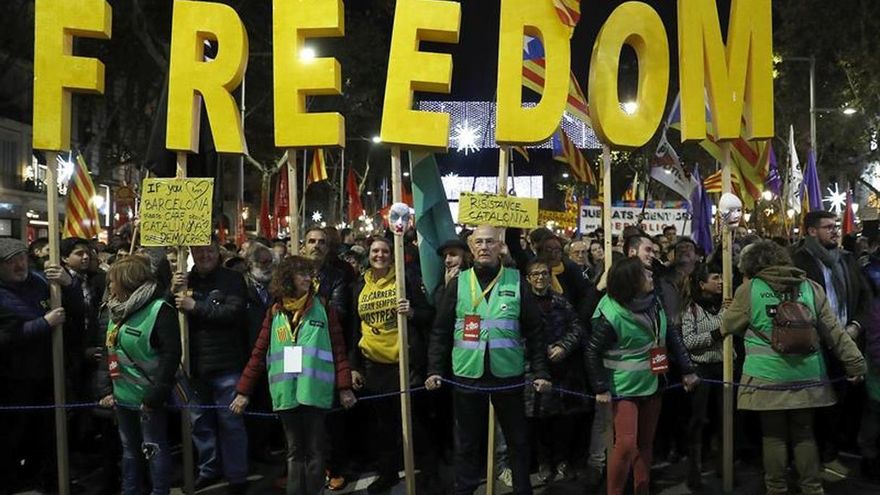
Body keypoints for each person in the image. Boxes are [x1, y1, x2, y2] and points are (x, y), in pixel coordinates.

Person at [721, 240, 866, 495]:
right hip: (808, 375)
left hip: (766, 376)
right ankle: (812, 487)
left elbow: (729, 326)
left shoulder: (750, 289)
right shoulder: (810, 287)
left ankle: (776, 488)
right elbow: (834, 332)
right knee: (804, 433)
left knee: (773, 436)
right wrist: (854, 363)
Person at [426, 225, 552, 495]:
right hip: (467, 374)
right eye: (479, 242)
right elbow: (440, 331)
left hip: (508, 375)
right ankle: (465, 490)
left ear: (500, 246)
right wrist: (434, 369)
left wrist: (541, 371)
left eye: (490, 242)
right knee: (467, 443)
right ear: (471, 248)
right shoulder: (459, 283)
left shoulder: (517, 281)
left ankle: (521, 489)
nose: (484, 246)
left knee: (518, 440)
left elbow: (535, 331)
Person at [231, 256, 357, 495]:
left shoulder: (324, 308)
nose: (308, 278)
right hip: (286, 393)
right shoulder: (275, 312)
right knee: (294, 451)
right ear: (288, 278)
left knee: (316, 450)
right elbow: (258, 354)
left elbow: (339, 350)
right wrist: (243, 392)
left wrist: (344, 387)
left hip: (314, 392)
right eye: (302, 274)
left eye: (310, 274)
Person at [585, 257, 699, 495]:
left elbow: (671, 336)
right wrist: (600, 387)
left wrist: (688, 369)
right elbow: (592, 351)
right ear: (631, 282)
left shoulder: (654, 302)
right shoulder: (611, 313)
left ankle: (642, 489)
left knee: (646, 444)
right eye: (645, 274)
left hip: (653, 382)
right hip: (622, 388)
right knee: (626, 445)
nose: (651, 277)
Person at [349, 236, 436, 493]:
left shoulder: (405, 279)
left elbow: (427, 314)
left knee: (414, 424)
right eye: (375, 250)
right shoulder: (359, 285)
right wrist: (355, 365)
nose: (379, 255)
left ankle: (429, 473)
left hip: (404, 363)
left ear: (392, 253)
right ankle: (387, 473)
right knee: (383, 427)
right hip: (374, 365)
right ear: (369, 254)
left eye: (385, 250)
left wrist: (411, 312)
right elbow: (355, 328)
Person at [0, 238, 83, 493]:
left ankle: (48, 478)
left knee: (49, 432)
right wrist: (44, 323)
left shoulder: (39, 282)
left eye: (22, 258)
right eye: (11, 261)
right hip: (14, 379)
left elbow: (76, 310)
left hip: (50, 372)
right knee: (13, 436)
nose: (19, 265)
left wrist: (69, 284)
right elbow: (6, 336)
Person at [792, 211, 871, 475]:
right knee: (815, 406)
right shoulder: (798, 261)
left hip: (846, 340)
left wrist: (855, 327)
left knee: (842, 403)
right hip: (813, 345)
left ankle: (832, 452)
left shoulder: (847, 261)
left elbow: (864, 299)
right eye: (828, 227)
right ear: (812, 231)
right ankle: (813, 458)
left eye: (836, 226)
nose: (835, 231)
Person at [98, 256, 182, 495]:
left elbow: (171, 354)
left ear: (127, 281)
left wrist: (156, 394)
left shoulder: (159, 310)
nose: (110, 287)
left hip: (149, 399)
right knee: (129, 451)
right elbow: (110, 352)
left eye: (112, 282)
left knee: (153, 449)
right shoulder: (115, 311)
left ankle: (159, 491)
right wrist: (107, 390)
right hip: (122, 396)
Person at [172, 239, 250, 492]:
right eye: (199, 250)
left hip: (226, 364)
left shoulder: (232, 280)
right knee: (200, 424)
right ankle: (209, 470)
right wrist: (170, 291)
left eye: (209, 250)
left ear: (218, 252)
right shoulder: (184, 280)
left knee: (231, 423)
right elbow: (164, 312)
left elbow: (232, 313)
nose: (204, 255)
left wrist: (195, 307)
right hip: (192, 367)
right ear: (192, 252)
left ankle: (237, 476)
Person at [522, 259, 587, 483]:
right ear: (528, 278)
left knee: (562, 418)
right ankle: (543, 462)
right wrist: (540, 351)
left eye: (544, 273)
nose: (540, 278)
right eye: (535, 274)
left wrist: (563, 347)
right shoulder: (521, 303)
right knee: (538, 419)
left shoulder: (561, 302)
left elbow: (577, 328)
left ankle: (561, 460)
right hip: (533, 369)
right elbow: (515, 335)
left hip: (562, 368)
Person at [681, 263, 727, 488]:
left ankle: (724, 465)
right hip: (702, 369)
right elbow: (688, 341)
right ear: (702, 284)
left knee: (724, 418)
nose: (720, 282)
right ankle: (695, 469)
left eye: (721, 277)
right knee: (698, 420)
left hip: (724, 368)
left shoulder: (726, 306)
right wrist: (716, 334)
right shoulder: (692, 309)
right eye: (715, 278)